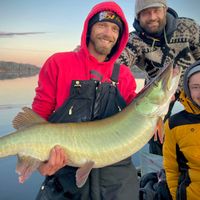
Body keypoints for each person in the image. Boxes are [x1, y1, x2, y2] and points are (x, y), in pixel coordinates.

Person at [32, 1, 139, 200]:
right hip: (65, 184)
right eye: (102, 25)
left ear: (120, 37)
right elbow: (37, 121)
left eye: (115, 29)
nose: (109, 33)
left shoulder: (124, 76)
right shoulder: (59, 63)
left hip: (118, 187)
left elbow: (137, 118)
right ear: (89, 30)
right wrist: (42, 164)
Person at [118, 0, 200, 155]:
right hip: (159, 91)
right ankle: (158, 169)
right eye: (145, 13)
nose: (152, 17)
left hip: (193, 86)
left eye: (156, 10)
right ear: (138, 17)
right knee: (155, 135)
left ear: (165, 10)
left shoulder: (189, 28)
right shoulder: (135, 40)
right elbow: (118, 61)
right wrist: (88, 56)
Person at [163, 61, 200, 199]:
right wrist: (175, 196)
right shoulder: (174, 124)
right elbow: (171, 168)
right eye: (196, 87)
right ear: (188, 89)